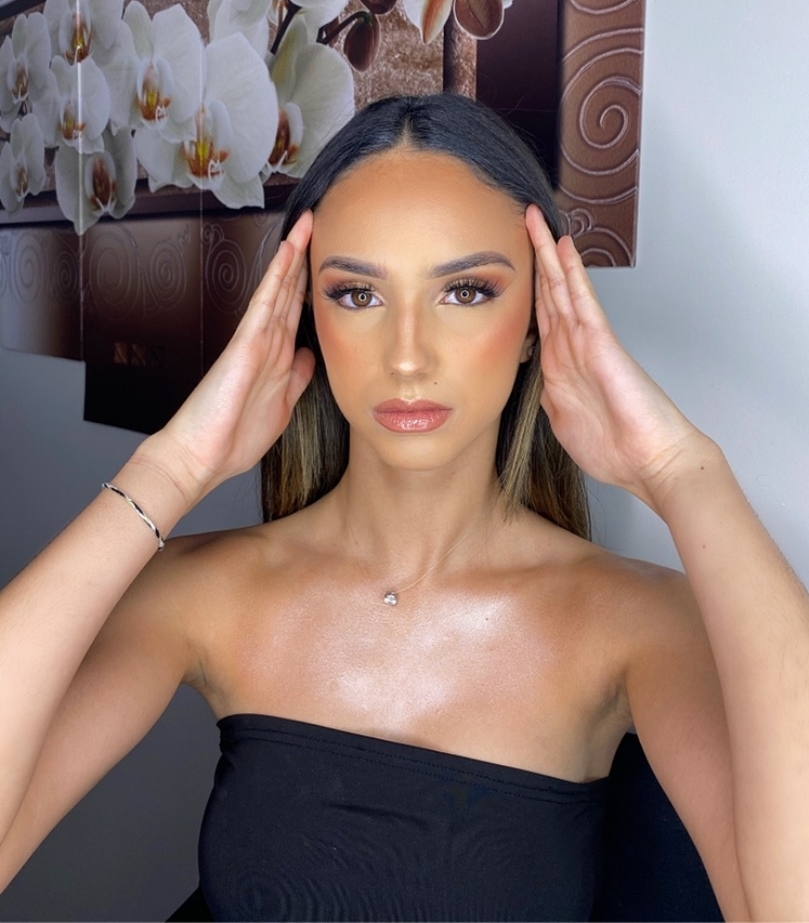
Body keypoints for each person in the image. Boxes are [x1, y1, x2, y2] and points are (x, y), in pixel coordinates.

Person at [0, 92, 807, 921]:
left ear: (539, 319)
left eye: (465, 292)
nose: (408, 357)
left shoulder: (641, 625)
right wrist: (168, 470)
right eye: (358, 294)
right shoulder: (202, 591)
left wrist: (685, 474)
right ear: (305, 316)